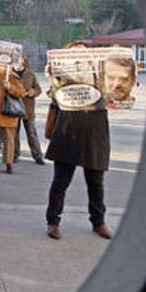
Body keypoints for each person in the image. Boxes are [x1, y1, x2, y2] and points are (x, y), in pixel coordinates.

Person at [44, 44, 114, 241]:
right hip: (68, 131)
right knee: (60, 181)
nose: (79, 59)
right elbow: (54, 98)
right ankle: (53, 221)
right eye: (74, 55)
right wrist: (53, 76)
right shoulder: (62, 80)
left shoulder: (102, 78)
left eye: (84, 54)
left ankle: (98, 222)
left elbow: (117, 96)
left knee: (96, 182)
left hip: (95, 132)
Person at [14, 56, 45, 165]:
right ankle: (14, 155)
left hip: (28, 108)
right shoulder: (10, 73)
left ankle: (38, 156)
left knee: (32, 133)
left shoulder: (30, 73)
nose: (18, 61)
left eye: (20, 59)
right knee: (14, 133)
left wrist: (34, 92)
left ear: (24, 61)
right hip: (14, 107)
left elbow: (39, 89)